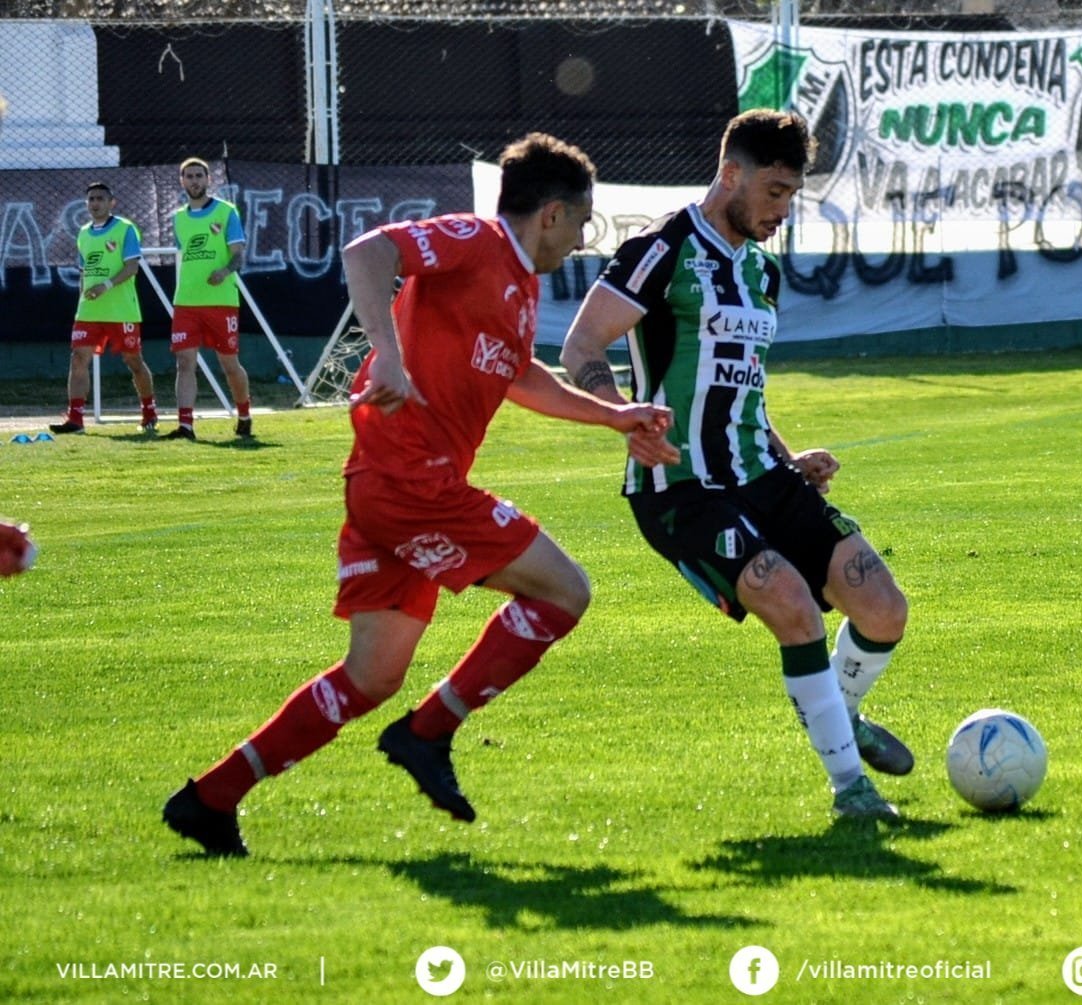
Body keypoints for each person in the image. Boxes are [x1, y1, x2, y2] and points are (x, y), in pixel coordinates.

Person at [163, 133, 676, 856]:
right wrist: (392, 355)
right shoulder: (476, 238)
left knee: (370, 675)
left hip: (388, 486)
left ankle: (210, 799)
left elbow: (517, 375)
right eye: (584, 221)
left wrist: (612, 416)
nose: (585, 238)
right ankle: (429, 730)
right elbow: (368, 253)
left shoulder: (518, 284)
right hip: (414, 483)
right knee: (565, 591)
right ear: (553, 214)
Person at [561, 109, 912, 824]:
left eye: (791, 195)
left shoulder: (760, 272)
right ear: (732, 175)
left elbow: (741, 386)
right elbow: (580, 347)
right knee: (790, 606)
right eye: (775, 193)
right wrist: (622, 416)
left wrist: (791, 458)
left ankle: (834, 713)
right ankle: (851, 789)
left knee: (883, 609)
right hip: (679, 487)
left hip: (762, 474)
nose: (783, 211)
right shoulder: (661, 249)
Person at [49, 182, 157, 435]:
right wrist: (82, 302)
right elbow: (84, 272)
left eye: (100, 198)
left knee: (133, 361)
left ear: (111, 202)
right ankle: (75, 419)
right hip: (89, 311)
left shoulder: (125, 229)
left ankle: (149, 411)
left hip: (121, 310)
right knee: (78, 359)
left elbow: (132, 267)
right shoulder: (84, 233)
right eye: (91, 199)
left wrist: (105, 286)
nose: (95, 203)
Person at [165, 157, 253, 441]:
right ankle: (186, 426)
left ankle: (244, 414)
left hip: (220, 301)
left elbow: (238, 253)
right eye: (188, 176)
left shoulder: (226, 212)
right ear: (182, 181)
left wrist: (225, 270)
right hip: (186, 301)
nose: (194, 181)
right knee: (184, 362)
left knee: (229, 364)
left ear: (208, 180)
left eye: (199, 176)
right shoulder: (178, 218)